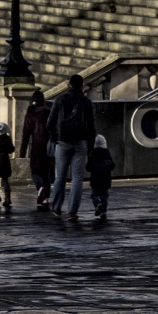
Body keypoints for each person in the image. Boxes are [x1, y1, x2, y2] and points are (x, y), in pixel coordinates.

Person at [47, 73, 96, 218]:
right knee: (77, 178)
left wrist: (55, 137)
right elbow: (91, 126)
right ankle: (72, 210)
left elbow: (50, 123)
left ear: (69, 84)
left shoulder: (60, 99)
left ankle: (56, 207)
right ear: (82, 85)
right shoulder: (86, 101)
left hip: (62, 142)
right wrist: (90, 146)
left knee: (60, 177)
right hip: (80, 143)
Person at [21, 88, 53, 209]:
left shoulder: (30, 115)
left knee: (35, 171)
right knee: (46, 172)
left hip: (36, 146)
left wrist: (22, 152)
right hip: (48, 146)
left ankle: (40, 188)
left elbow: (25, 135)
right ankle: (47, 198)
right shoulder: (48, 112)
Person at [86, 134, 116, 220]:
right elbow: (112, 165)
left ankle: (97, 204)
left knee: (94, 195)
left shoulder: (93, 153)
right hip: (106, 180)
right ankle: (103, 211)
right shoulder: (107, 153)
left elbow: (88, 167)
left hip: (95, 180)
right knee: (104, 196)